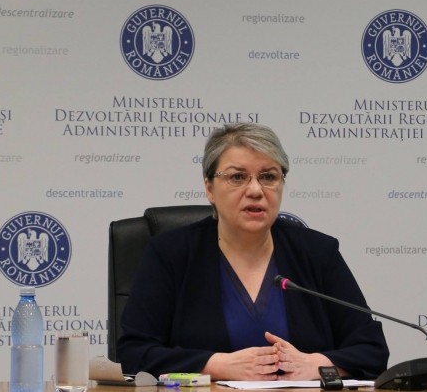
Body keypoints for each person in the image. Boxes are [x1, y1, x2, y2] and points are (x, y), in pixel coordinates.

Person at [117, 123, 389, 380]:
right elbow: (134, 353)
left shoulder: (317, 252)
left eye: (269, 177)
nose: (256, 190)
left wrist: (316, 364)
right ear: (209, 188)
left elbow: (372, 350)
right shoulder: (170, 254)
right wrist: (217, 365)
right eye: (237, 177)